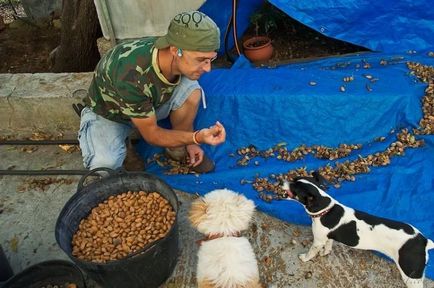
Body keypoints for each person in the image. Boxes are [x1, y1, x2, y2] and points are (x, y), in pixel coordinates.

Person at [78, 10, 226, 173]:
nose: (208, 68)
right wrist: (196, 137)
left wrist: (189, 142)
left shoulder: (175, 49)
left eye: (210, 59)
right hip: (111, 113)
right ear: (175, 50)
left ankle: (178, 146)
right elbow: (152, 135)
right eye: (200, 60)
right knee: (104, 166)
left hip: (147, 104)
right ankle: (123, 144)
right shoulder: (131, 75)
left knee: (192, 91)